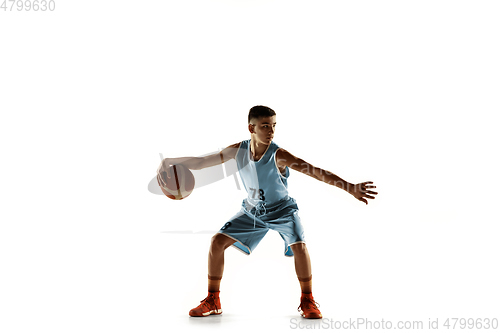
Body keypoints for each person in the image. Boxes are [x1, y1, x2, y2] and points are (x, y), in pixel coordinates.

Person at [157, 105, 377, 319]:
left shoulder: (279, 155)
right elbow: (203, 161)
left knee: (299, 246)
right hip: (252, 211)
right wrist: (170, 161)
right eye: (265, 126)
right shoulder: (238, 150)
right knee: (217, 242)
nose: (270, 131)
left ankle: (307, 299)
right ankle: (213, 300)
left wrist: (349, 187)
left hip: (282, 211)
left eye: (273, 126)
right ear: (251, 128)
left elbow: (316, 172)